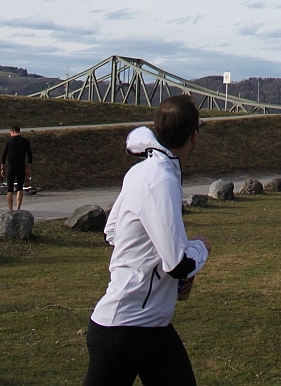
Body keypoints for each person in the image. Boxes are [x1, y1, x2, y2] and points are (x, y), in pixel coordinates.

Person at [82, 94, 210, 386]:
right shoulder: (161, 179)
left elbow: (112, 231)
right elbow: (179, 265)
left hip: (153, 325)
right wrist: (201, 246)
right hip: (124, 328)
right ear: (194, 136)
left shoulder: (141, 171)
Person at [0, 125, 33, 212]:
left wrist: (2, 168)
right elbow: (30, 156)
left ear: (12, 132)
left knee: (9, 189)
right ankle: (18, 208)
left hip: (11, 166)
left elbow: (3, 156)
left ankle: (10, 209)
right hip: (21, 167)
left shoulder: (9, 141)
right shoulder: (25, 141)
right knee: (19, 188)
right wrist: (28, 168)